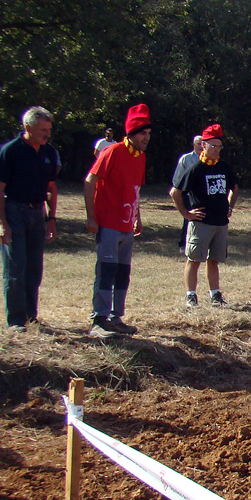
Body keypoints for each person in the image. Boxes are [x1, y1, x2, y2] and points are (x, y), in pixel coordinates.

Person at [84, 104, 150, 338]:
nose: (146, 138)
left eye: (148, 133)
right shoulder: (112, 152)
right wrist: (91, 217)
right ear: (131, 134)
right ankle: (99, 320)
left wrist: (137, 218)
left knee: (123, 272)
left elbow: (135, 190)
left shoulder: (140, 157)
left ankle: (116, 317)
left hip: (126, 226)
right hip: (109, 223)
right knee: (106, 269)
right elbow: (90, 181)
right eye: (142, 133)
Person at [0, 107, 60, 332]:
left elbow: (51, 188)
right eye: (43, 130)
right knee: (16, 266)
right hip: (15, 211)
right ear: (28, 128)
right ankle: (15, 320)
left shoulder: (48, 152)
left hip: (37, 213)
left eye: (49, 130)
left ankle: (31, 315)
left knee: (34, 267)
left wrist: (51, 219)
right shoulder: (11, 151)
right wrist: (2, 223)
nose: (46, 134)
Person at [170, 124, 239, 308]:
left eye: (219, 146)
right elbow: (175, 192)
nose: (216, 150)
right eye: (212, 146)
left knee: (214, 260)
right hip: (201, 223)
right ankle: (191, 295)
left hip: (220, 222)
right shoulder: (196, 168)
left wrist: (229, 206)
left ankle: (215, 295)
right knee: (193, 259)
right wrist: (186, 213)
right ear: (203, 146)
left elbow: (235, 188)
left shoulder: (224, 167)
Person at [172, 134, 203, 253]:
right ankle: (183, 244)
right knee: (188, 219)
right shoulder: (186, 159)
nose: (201, 146)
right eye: (198, 143)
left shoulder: (208, 159)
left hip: (202, 195)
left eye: (202, 143)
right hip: (188, 194)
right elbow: (177, 178)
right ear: (193, 144)